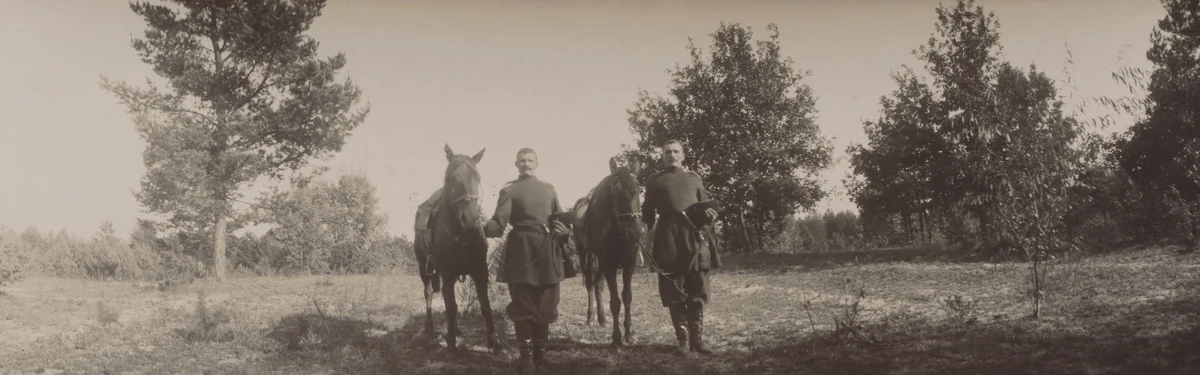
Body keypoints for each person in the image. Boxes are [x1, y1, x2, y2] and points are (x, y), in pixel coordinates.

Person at [483, 147, 572, 372]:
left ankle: (541, 355)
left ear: (537, 163)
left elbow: (559, 218)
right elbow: (498, 223)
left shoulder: (549, 189)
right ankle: (526, 358)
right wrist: (480, 226)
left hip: (548, 249)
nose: (526, 164)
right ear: (516, 164)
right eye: (522, 161)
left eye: (530, 160)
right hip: (520, 250)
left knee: (547, 304)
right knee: (523, 304)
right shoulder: (509, 191)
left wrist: (565, 231)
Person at [641, 139, 721, 357]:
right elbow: (647, 213)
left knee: (697, 287)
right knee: (674, 289)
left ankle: (698, 341)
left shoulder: (694, 179)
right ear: (662, 156)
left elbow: (705, 206)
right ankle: (683, 342)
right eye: (667, 152)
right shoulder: (655, 181)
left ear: (683, 155)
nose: (671, 155)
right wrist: (641, 227)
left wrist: (710, 216)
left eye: (676, 151)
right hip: (668, 238)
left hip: (694, 237)